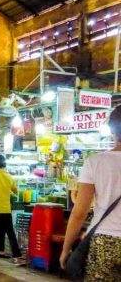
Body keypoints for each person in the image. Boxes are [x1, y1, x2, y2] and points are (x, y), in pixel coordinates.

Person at [60, 105, 121, 281]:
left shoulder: (95, 162)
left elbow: (79, 213)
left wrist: (66, 249)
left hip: (104, 241)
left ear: (112, 131)